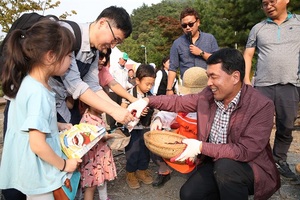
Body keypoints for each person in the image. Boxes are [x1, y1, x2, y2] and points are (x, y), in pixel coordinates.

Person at [145, 48, 280, 199]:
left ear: (235, 77)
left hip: (249, 167)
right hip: (215, 162)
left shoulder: (261, 105)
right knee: (189, 194)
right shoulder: (209, 95)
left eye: (213, 77)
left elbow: (245, 151)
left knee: (226, 168)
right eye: (207, 76)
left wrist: (200, 146)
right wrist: (147, 101)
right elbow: (179, 101)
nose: (209, 83)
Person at [0, 20, 82, 199]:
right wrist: (64, 164)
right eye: (69, 55)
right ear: (51, 56)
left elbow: (28, 121)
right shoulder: (40, 93)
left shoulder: (28, 82)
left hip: (24, 166)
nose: (71, 60)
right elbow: (37, 144)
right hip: (39, 173)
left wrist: (57, 124)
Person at [48, 6, 134, 126]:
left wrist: (120, 110)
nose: (113, 46)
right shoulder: (67, 33)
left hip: (60, 108)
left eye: (117, 43)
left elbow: (93, 85)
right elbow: (75, 85)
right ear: (102, 23)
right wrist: (113, 111)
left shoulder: (94, 52)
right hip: (43, 105)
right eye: (115, 39)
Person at [243, 0, 300, 180]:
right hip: (263, 86)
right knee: (258, 127)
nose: (268, 6)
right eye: (264, 3)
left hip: (291, 84)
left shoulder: (298, 23)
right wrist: (245, 80)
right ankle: (260, 161)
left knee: (286, 125)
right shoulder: (258, 28)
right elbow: (248, 54)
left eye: (272, 1)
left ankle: (279, 159)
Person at [150, 67, 208, 188]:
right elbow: (167, 113)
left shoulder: (210, 109)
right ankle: (164, 171)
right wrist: (158, 119)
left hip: (199, 150)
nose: (192, 98)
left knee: (195, 183)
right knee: (155, 147)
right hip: (179, 144)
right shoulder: (183, 103)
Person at [166, 7, 219, 95]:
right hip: (187, 90)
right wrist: (169, 89)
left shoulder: (209, 39)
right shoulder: (177, 43)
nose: (188, 28)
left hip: (208, 87)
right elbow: (173, 68)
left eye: (191, 24)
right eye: (184, 25)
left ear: (198, 22)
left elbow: (218, 62)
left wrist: (201, 53)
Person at [121, 64, 156, 189]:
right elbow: (122, 110)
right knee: (132, 151)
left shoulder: (151, 95)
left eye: (151, 84)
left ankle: (142, 170)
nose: (149, 87)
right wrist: (136, 111)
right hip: (132, 129)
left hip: (145, 128)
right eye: (147, 84)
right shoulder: (129, 94)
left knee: (145, 151)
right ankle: (130, 173)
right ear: (137, 80)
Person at [106, 52, 133, 131]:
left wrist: (131, 86)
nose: (124, 62)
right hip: (113, 91)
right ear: (120, 59)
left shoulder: (125, 70)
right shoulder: (113, 68)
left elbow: (125, 82)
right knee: (112, 107)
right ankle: (111, 125)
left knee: (120, 108)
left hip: (122, 92)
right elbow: (109, 79)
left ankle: (119, 123)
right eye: (123, 60)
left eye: (126, 60)